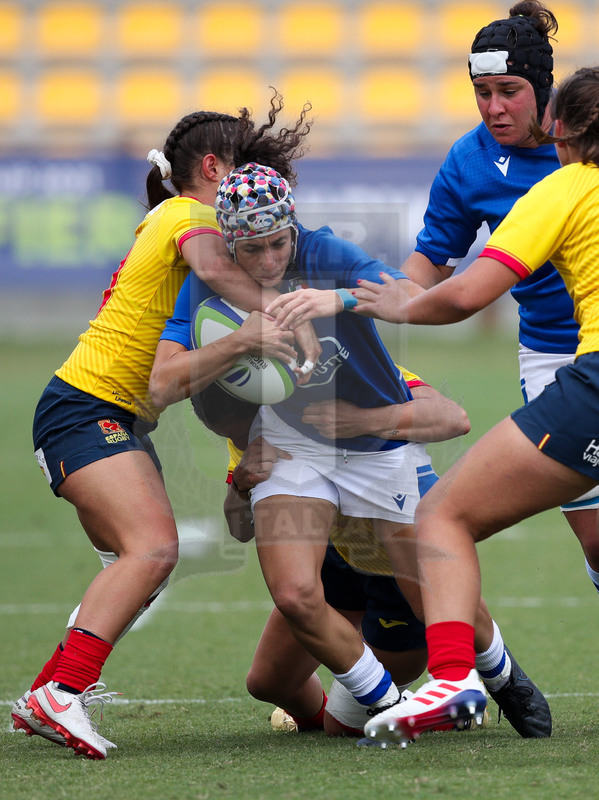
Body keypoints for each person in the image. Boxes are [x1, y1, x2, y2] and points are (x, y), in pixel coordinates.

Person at [155, 161, 550, 731]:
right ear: (230, 248)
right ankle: (388, 705)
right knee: (294, 593)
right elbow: (163, 384)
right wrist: (240, 339)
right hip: (291, 444)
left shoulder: (326, 252)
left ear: (294, 228)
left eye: (278, 243)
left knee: (432, 593)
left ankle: (502, 673)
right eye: (253, 251)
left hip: (375, 446)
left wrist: (334, 299)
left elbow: (412, 295)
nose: (268, 261)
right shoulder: (211, 282)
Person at [11, 96, 317, 760]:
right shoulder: (186, 214)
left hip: (107, 414)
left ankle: (46, 693)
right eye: (238, 172)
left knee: (138, 566)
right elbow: (214, 270)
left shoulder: (169, 218)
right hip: (84, 408)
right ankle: (59, 696)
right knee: (153, 550)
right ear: (211, 167)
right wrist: (293, 313)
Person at [349, 65, 599, 744]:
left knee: (440, 516)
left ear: (557, 128)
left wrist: (390, 301)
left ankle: (454, 678)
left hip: (591, 381)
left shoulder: (564, 186)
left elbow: (463, 294)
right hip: (565, 367)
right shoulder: (478, 162)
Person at [396, 0, 599, 593]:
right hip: (554, 359)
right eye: (481, 92)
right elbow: (432, 259)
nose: (494, 107)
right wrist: (388, 297)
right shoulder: (471, 159)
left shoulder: (586, 141)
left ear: (543, 87)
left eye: (508, 90)